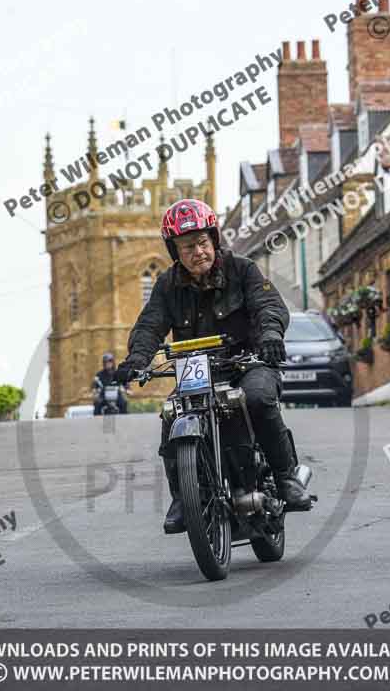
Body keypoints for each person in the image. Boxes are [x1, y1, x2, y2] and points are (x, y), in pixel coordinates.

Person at [116, 199, 312, 534]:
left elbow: (268, 305)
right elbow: (150, 325)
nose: (198, 253)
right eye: (188, 247)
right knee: (173, 412)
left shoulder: (243, 269)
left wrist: (269, 336)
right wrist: (136, 359)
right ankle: (184, 497)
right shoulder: (167, 285)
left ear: (214, 240)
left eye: (203, 243)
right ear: (175, 251)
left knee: (257, 400)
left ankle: (285, 477)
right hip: (199, 368)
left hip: (249, 361)